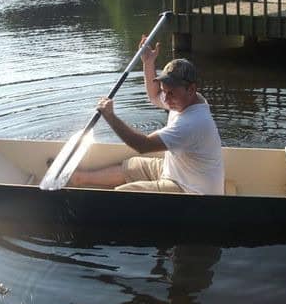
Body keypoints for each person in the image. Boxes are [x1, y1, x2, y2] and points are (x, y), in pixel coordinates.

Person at [67, 35, 224, 195]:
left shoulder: (191, 124)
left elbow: (143, 145)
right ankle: (80, 178)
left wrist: (111, 117)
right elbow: (155, 96)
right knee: (132, 165)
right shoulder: (188, 99)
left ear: (191, 89)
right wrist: (148, 63)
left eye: (171, 94)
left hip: (190, 191)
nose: (166, 99)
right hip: (176, 172)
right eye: (165, 91)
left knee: (122, 193)